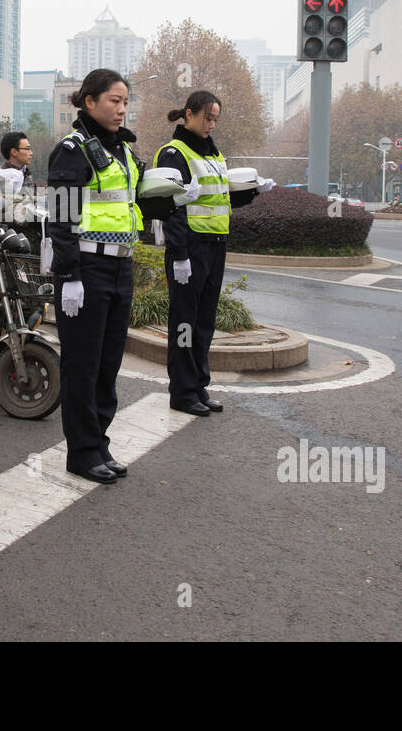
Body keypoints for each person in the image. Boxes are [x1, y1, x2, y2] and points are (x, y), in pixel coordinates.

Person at [45, 69, 144, 484]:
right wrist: (68, 275)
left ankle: (98, 442)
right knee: (82, 367)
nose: (121, 109)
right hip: (87, 269)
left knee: (107, 365)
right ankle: (82, 453)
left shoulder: (121, 151)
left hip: (120, 266)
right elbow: (62, 217)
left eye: (125, 102)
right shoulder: (72, 150)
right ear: (90, 102)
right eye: (113, 101)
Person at [152, 90, 255, 416]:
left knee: (204, 322)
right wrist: (180, 253)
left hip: (214, 246)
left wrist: (250, 193)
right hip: (190, 250)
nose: (212, 124)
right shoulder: (173, 153)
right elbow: (171, 207)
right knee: (184, 322)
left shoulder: (213, 154)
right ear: (190, 113)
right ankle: (182, 391)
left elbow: (217, 199)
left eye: (215, 119)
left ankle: (198, 384)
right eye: (207, 117)